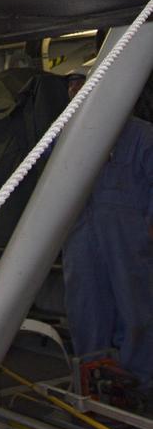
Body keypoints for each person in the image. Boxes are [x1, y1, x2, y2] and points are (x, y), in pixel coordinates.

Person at [62, 109, 153, 389]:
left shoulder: (142, 135)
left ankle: (140, 387)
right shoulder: (66, 135)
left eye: (82, 81)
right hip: (81, 235)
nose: (76, 89)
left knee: (136, 311)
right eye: (71, 84)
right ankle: (94, 384)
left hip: (129, 238)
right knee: (86, 310)